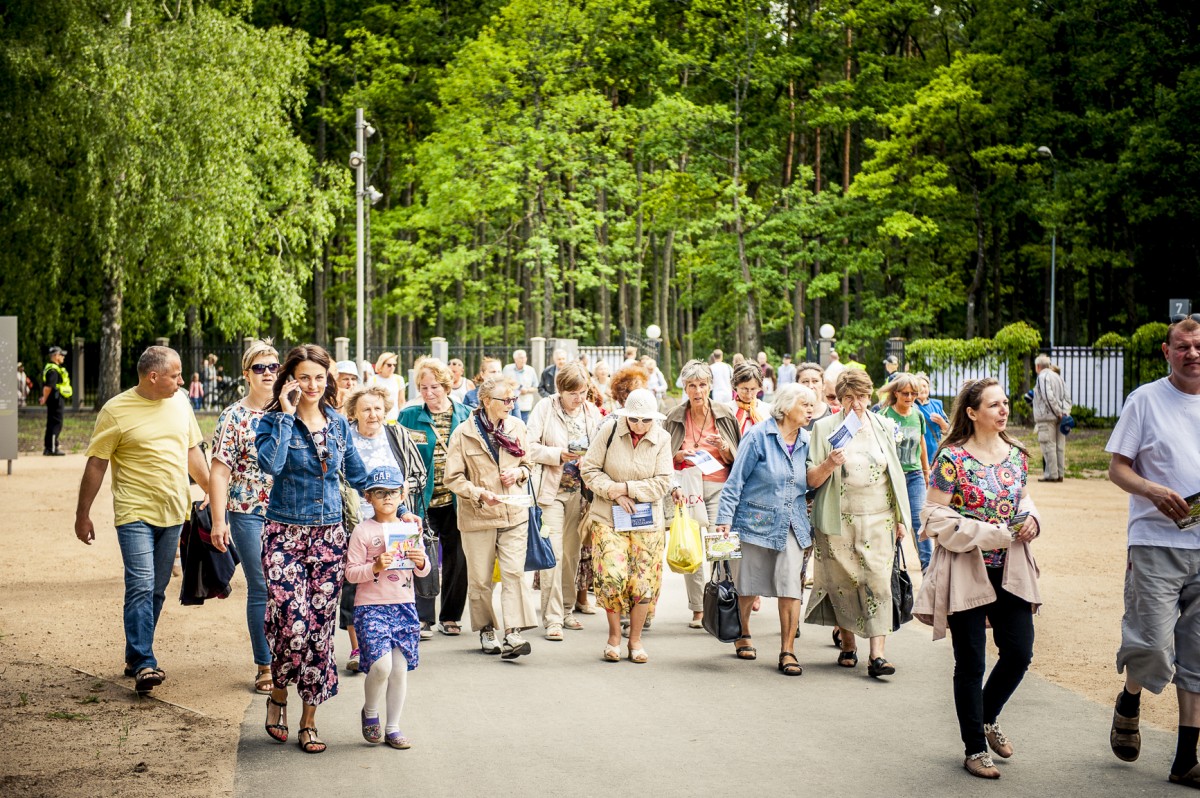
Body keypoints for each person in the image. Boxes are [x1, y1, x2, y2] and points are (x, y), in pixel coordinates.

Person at [915, 377, 1042, 779]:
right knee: (970, 662)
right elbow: (933, 516)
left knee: (1019, 652)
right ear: (972, 413)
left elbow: (1023, 499)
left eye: (1005, 403)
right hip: (965, 569)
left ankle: (986, 717)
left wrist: (1033, 520)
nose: (1004, 410)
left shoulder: (1018, 454)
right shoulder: (951, 458)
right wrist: (986, 533)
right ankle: (974, 749)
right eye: (994, 405)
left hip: (1012, 568)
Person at [256, 344, 371, 755]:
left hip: (328, 537)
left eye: (319, 378)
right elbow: (270, 466)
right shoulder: (272, 422)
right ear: (290, 379)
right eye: (304, 377)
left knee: (320, 631)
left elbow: (357, 473)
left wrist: (397, 502)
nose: (312, 385)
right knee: (293, 621)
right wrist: (287, 417)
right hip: (284, 534)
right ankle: (279, 695)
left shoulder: (338, 424)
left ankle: (308, 720)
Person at [74, 345, 209, 694]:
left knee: (158, 589)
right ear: (153, 376)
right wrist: (82, 514)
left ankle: (136, 654)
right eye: (175, 375)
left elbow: (192, 452)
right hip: (134, 512)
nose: (182, 381)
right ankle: (145, 661)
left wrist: (213, 491)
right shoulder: (116, 410)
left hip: (174, 510)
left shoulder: (181, 403)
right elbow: (97, 463)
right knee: (141, 584)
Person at [1104, 316, 1200, 788]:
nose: (1193, 354)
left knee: (1198, 654)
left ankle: (1185, 759)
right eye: (1183, 347)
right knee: (1151, 642)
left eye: (1199, 346)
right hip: (1155, 541)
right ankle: (1130, 696)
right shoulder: (1144, 400)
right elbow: (1117, 469)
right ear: (1167, 351)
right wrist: (1151, 490)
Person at [805, 368, 911, 678]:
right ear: (839, 400)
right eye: (849, 397)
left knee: (877, 583)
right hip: (838, 519)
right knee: (843, 584)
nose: (856, 404)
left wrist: (901, 518)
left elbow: (895, 474)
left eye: (862, 396)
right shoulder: (824, 428)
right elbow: (811, 479)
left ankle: (877, 655)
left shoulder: (882, 425)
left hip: (880, 518)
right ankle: (848, 644)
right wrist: (829, 463)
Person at [715, 384, 815, 676]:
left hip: (793, 523)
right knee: (748, 583)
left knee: (790, 586)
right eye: (804, 404)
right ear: (785, 406)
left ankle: (787, 650)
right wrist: (724, 519)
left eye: (813, 405)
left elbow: (809, 483)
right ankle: (743, 632)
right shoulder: (758, 436)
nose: (810, 410)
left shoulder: (807, 440)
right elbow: (736, 482)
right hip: (754, 521)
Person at [444, 374, 538, 659]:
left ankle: (512, 633)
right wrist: (478, 492)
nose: (510, 404)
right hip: (479, 515)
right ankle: (486, 628)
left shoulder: (517, 426)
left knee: (513, 573)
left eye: (513, 399)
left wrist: (519, 472)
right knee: (481, 579)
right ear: (485, 401)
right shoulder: (464, 432)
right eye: (504, 400)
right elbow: (453, 478)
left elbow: (529, 463)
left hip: (514, 513)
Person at [208, 339, 281, 694]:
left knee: (288, 587)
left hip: (290, 512)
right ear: (246, 374)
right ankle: (265, 664)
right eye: (260, 368)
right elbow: (219, 471)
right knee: (262, 586)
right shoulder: (234, 416)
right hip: (248, 511)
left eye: (273, 367)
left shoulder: (291, 409)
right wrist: (219, 520)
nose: (268, 374)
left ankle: (289, 655)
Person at [579, 388, 673, 663]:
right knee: (611, 576)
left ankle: (635, 639)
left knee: (643, 581)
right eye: (634, 419)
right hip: (609, 516)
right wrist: (614, 492)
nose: (640, 425)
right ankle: (613, 638)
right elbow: (589, 469)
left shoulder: (662, 438)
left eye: (646, 420)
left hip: (647, 520)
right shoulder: (609, 430)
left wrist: (629, 488)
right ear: (626, 415)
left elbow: (664, 480)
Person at [344, 464, 429, 750]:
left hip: (404, 605)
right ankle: (370, 711)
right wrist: (375, 566)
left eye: (393, 492)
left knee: (399, 670)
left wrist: (420, 560)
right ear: (368, 497)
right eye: (380, 493)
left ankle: (393, 727)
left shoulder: (410, 528)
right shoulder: (363, 531)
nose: (387, 498)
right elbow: (351, 573)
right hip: (371, 607)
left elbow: (424, 570)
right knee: (380, 667)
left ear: (402, 493)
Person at [345, 385, 427, 652]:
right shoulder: (346, 437)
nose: (373, 414)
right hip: (354, 519)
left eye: (378, 408)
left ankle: (392, 635)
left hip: (395, 518)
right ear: (354, 413)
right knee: (356, 580)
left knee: (394, 573)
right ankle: (359, 647)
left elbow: (418, 473)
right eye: (366, 409)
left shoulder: (397, 434)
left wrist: (401, 503)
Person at [527, 363, 603, 640]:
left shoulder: (591, 412)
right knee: (554, 554)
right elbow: (529, 446)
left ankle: (568, 609)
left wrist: (588, 459)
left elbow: (599, 447)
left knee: (572, 555)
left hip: (581, 494)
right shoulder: (544, 409)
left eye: (583, 392)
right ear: (561, 390)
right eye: (573, 393)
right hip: (551, 492)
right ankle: (552, 617)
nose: (579, 398)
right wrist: (558, 454)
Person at [398, 358, 473, 638]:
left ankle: (451, 616)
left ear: (447, 385)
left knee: (457, 557)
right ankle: (423, 617)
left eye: (434, 387)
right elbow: (399, 455)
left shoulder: (467, 415)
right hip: (422, 500)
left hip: (457, 499)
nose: (428, 393)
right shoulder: (409, 416)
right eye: (423, 387)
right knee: (423, 556)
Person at [665, 359, 741, 627]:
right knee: (692, 547)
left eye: (702, 384)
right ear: (684, 388)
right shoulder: (674, 416)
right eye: (692, 385)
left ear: (710, 385)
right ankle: (698, 608)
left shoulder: (724, 414)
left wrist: (723, 447)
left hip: (720, 484)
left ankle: (722, 600)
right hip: (689, 485)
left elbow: (737, 456)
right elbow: (663, 457)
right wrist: (679, 454)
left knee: (720, 545)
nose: (698, 391)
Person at [878, 373, 933, 571]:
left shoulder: (918, 415)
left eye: (913, 394)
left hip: (914, 476)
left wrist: (926, 471)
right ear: (896, 393)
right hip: (891, 477)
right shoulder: (884, 416)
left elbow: (921, 442)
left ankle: (929, 569)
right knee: (891, 523)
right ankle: (891, 569)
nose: (909, 397)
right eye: (905, 393)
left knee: (919, 522)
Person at [1033, 354, 1071, 482]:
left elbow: (1047, 397)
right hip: (1060, 416)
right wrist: (1065, 413)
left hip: (1047, 417)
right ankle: (1060, 474)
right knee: (1060, 446)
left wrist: (1058, 413)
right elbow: (1067, 397)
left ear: (1038, 366)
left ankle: (1051, 474)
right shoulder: (1058, 377)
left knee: (1048, 445)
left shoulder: (1042, 377)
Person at [40, 345, 71, 455]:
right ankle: (52, 448)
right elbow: (48, 387)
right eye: (61, 354)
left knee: (52, 423)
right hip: (56, 400)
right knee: (56, 424)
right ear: (56, 356)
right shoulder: (53, 370)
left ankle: (48, 448)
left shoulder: (51, 368)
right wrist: (44, 398)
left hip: (55, 400)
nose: (63, 357)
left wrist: (45, 398)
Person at [914, 372, 950, 464]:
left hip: (935, 455)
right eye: (919, 386)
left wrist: (942, 422)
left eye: (925, 386)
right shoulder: (911, 406)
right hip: (917, 456)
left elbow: (948, 431)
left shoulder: (937, 405)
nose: (922, 389)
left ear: (928, 388)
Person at [729, 362, 768, 437]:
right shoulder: (727, 410)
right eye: (744, 389)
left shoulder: (767, 410)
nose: (749, 395)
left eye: (753, 389)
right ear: (735, 386)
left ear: (759, 387)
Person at [503, 349, 539, 422]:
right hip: (510, 404)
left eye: (524, 357)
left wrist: (527, 390)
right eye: (521, 358)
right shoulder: (507, 368)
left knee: (522, 424)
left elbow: (536, 387)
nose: (523, 360)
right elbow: (502, 384)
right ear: (515, 359)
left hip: (525, 404)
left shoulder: (530, 370)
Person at [372, 352, 407, 423]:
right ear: (381, 365)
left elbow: (401, 401)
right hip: (377, 420)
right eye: (389, 365)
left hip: (395, 419)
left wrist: (402, 419)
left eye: (394, 365)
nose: (392, 367)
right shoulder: (373, 380)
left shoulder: (399, 379)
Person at [797, 362, 832, 429]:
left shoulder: (834, 413)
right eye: (805, 381)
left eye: (815, 381)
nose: (810, 386)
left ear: (823, 385)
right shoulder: (789, 416)